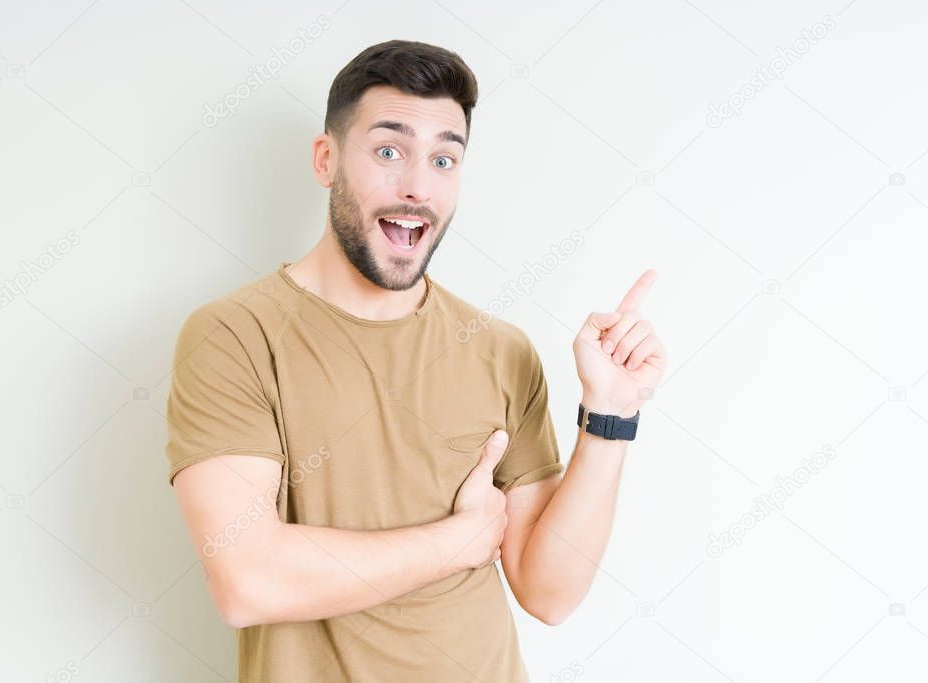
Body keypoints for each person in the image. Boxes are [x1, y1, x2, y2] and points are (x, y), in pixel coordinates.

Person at [165, 38, 667, 682]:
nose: (417, 188)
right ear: (326, 159)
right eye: (388, 151)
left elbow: (550, 593)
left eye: (443, 159)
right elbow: (248, 581)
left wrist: (610, 417)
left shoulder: (500, 350)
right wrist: (456, 542)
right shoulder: (234, 336)